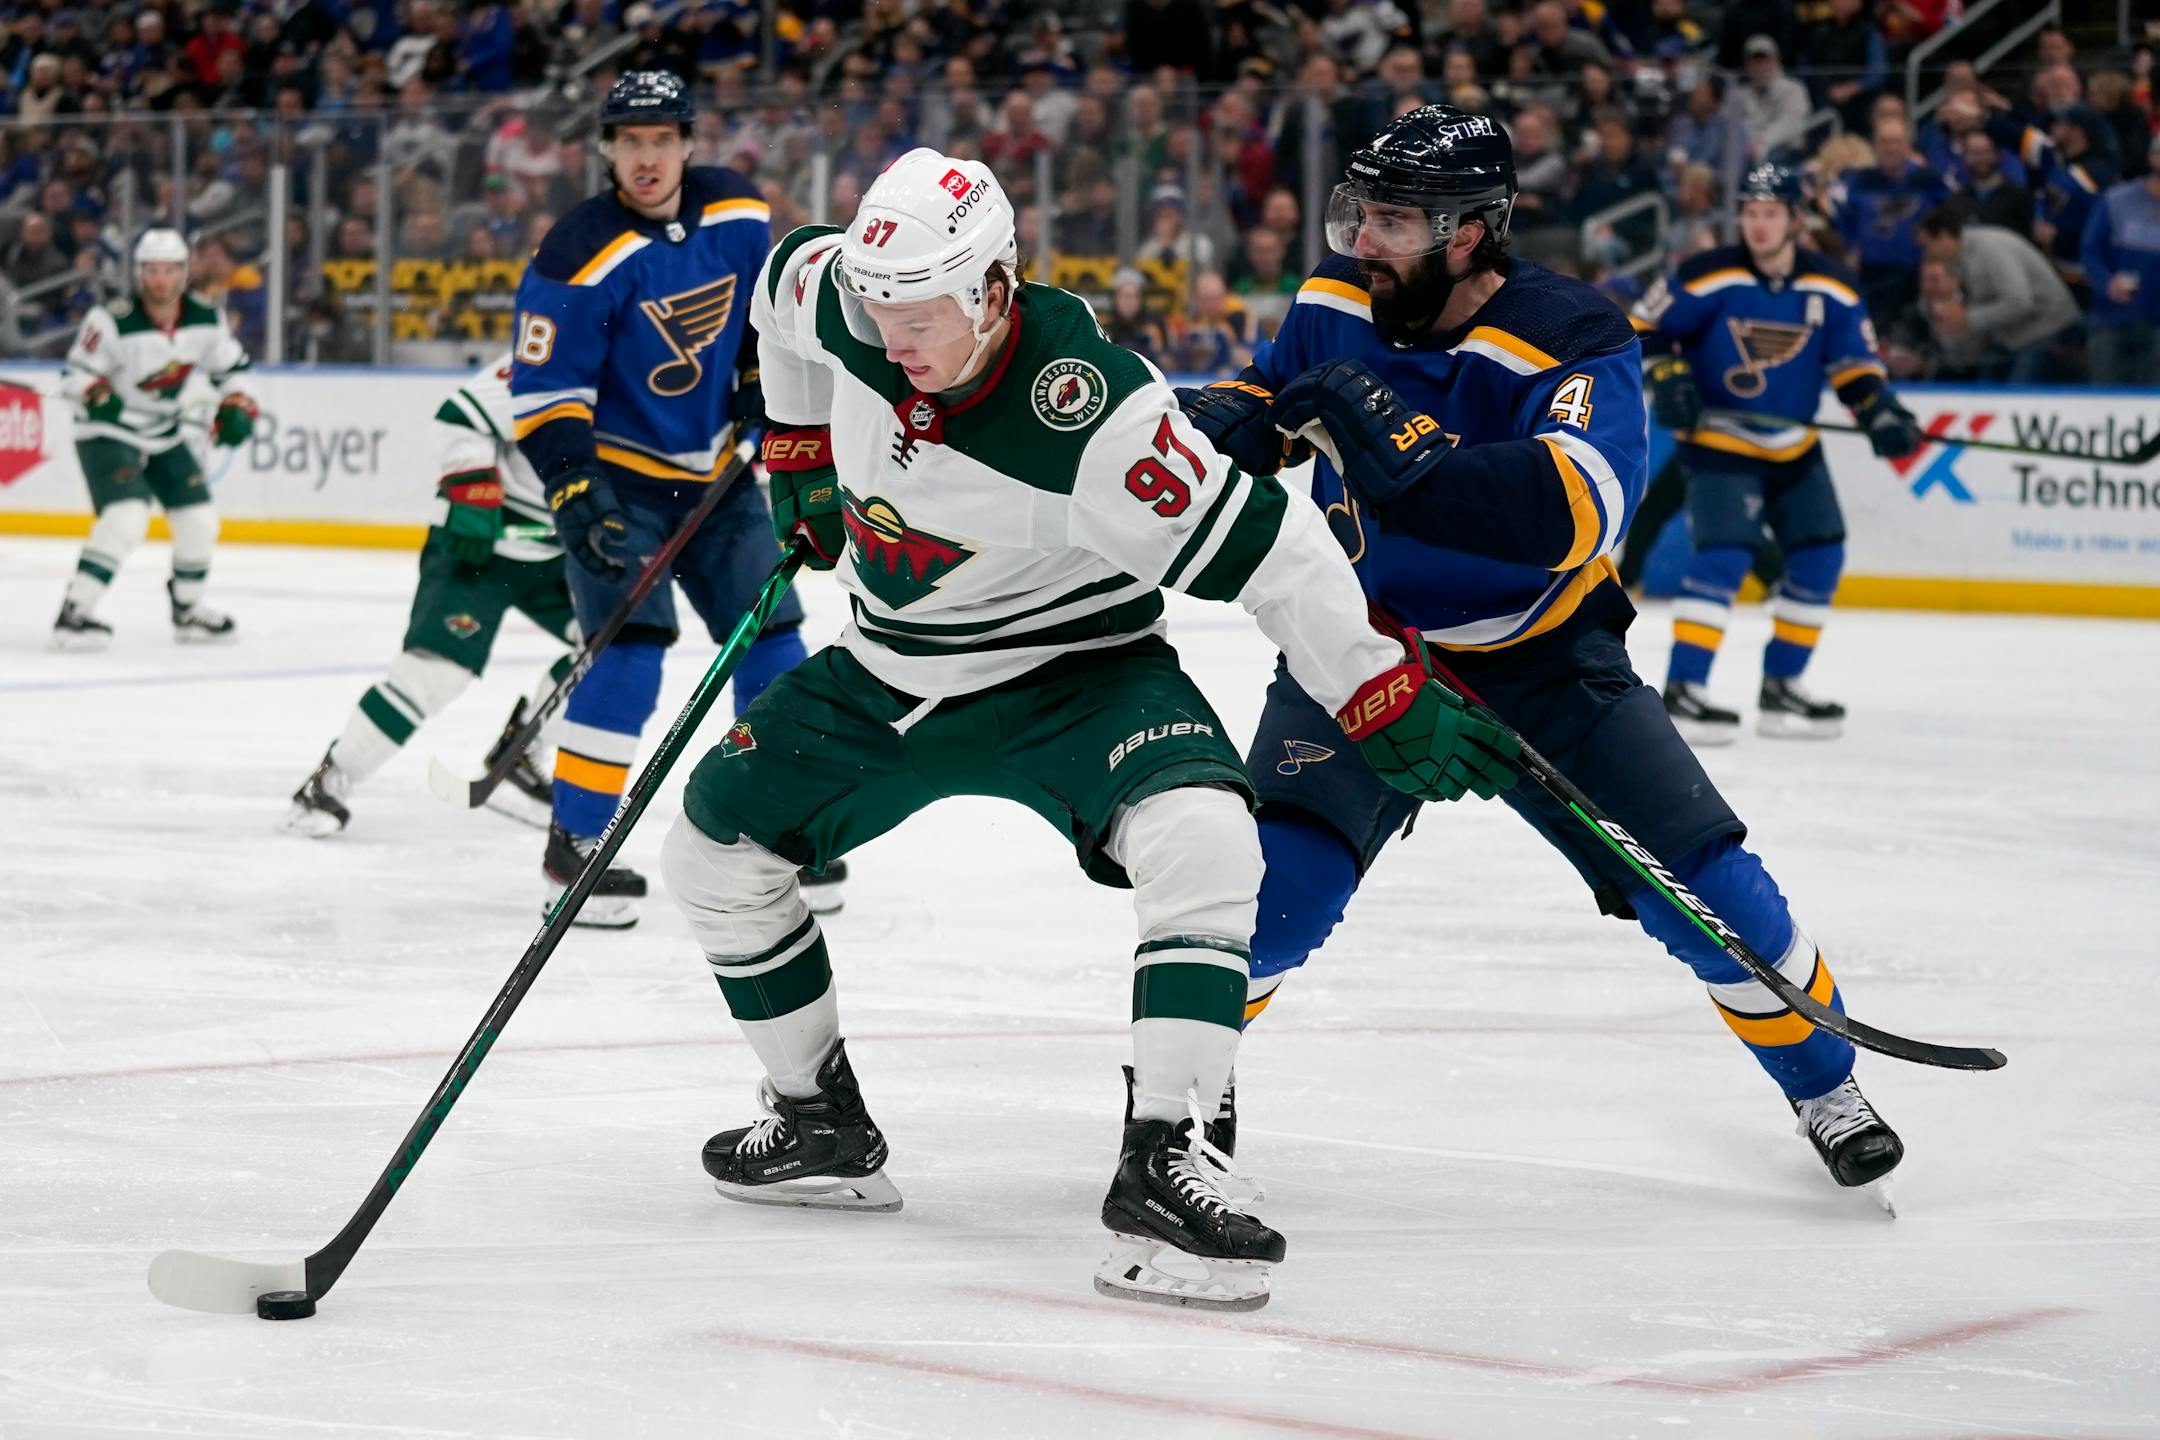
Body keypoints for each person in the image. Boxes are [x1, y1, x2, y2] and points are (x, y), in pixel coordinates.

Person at [657, 147, 1509, 1311]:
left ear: (995, 291)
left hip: (1079, 672)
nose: (890, 340)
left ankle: (1166, 1158)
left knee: (1208, 836)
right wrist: (800, 447)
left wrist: (1373, 688)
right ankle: (816, 1124)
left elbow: (1272, 545)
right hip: (891, 670)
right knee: (710, 853)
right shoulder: (848, 296)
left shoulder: (1095, 417)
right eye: (877, 309)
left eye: (919, 319)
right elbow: (777, 296)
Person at [1179, 107, 1908, 1206]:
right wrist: (1231, 415)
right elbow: (1277, 391)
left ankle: (1824, 1083)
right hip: (1362, 653)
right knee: (1275, 893)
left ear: (1471, 231)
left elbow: (1577, 514)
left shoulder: (1578, 333)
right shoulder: (1337, 298)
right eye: (1359, 213)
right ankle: (1179, 1093)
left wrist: (1411, 458)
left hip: (1547, 660)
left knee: (1710, 897)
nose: (1361, 241)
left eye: (1390, 221)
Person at [510, 72, 821, 929]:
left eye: (661, 139)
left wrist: (762, 400)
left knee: (773, 635)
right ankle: (572, 843)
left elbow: (763, 331)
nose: (645, 157)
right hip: (618, 484)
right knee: (631, 649)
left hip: (717, 479)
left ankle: (775, 826)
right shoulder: (575, 250)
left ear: (688, 142)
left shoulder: (737, 213)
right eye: (629, 141)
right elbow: (544, 392)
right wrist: (575, 488)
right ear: (607, 150)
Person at [1632, 162, 1923, 741]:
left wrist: (1878, 409)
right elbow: (1642, 328)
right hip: (1720, 442)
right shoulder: (1707, 274)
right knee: (1725, 555)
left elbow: (1854, 366)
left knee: (1820, 553)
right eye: (1749, 213)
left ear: (1795, 219)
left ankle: (1781, 687)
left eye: (1770, 214)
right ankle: (1686, 690)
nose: (1758, 225)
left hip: (1795, 444)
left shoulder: (1832, 285)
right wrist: (1667, 372)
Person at [283, 355, 577, 837]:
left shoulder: (661, 384)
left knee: (618, 644)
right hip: (480, 545)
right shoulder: (557, 355)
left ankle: (523, 752)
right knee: (434, 675)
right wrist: (472, 486)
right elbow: (461, 416)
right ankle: (330, 782)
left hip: (558, 553)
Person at [50, 228, 257, 651]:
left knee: (200, 521)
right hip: (107, 430)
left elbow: (232, 370)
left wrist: (236, 402)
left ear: (185, 272)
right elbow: (75, 376)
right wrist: (94, 393)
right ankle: (74, 613)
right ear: (140, 273)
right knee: (127, 515)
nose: (160, 280)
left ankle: (188, 609)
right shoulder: (110, 319)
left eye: (169, 270)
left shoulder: (206, 317)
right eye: (152, 271)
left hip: (163, 429)